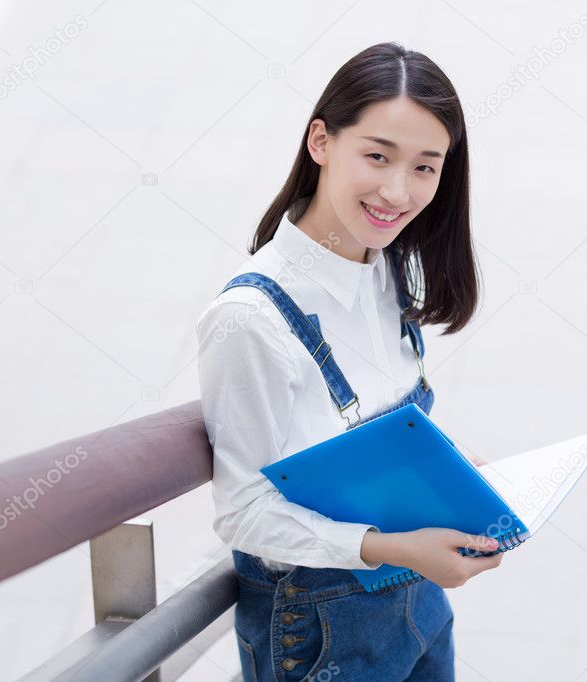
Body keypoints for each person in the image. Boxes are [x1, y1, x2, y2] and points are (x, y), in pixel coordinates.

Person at [195, 41, 506, 681]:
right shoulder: (250, 319)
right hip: (322, 629)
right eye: (377, 156)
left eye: (426, 167)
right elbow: (242, 512)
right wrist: (392, 547)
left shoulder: (384, 268)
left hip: (420, 603)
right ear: (321, 142)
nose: (398, 190)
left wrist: (450, 477)